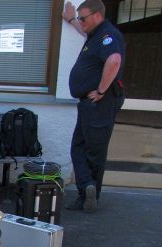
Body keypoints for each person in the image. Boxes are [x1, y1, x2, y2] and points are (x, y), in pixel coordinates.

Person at [63, 0, 124, 213]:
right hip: (89, 104)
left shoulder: (108, 35)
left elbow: (114, 60)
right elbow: (83, 30)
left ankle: (90, 193)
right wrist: (71, 19)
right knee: (78, 147)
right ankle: (86, 188)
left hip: (100, 103)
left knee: (94, 150)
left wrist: (101, 90)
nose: (81, 22)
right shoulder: (95, 35)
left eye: (83, 18)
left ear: (98, 15)